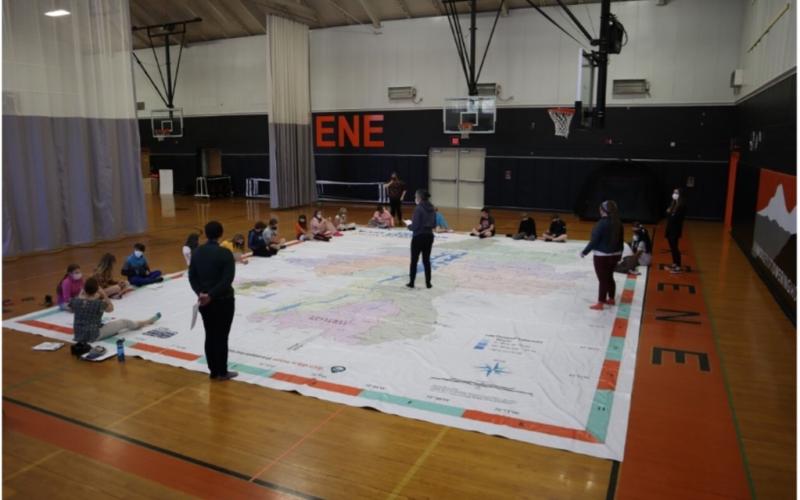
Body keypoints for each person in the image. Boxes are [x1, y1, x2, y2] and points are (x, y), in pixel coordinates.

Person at [189, 220, 238, 381]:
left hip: (204, 301)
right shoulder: (225, 253)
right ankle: (222, 371)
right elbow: (227, 280)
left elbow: (192, 277)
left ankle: (213, 370)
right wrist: (212, 295)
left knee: (210, 334)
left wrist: (201, 293)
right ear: (220, 234)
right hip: (223, 300)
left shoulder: (197, 252)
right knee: (222, 336)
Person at [70, 278, 161, 355]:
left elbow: (81, 299)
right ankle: (146, 322)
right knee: (124, 322)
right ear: (97, 290)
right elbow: (111, 308)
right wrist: (104, 294)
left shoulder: (76, 301)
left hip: (78, 334)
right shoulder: (98, 303)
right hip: (93, 335)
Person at [581, 200, 624, 311]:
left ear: (603, 210)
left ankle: (601, 302)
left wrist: (585, 252)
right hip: (615, 255)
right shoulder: (618, 223)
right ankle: (611, 298)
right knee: (609, 277)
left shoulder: (601, 224)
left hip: (602, 256)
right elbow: (621, 241)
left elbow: (594, 241)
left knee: (603, 279)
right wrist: (619, 255)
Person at [406, 189, 436, 289]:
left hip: (418, 237)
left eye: (415, 197)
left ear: (418, 198)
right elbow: (434, 224)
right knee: (426, 260)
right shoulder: (432, 208)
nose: (415, 198)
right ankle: (428, 283)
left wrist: (409, 225)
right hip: (429, 236)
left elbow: (415, 227)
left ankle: (411, 282)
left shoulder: (418, 209)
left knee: (414, 260)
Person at [665, 188, 687, 274]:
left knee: (675, 247)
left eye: (676, 193)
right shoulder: (673, 203)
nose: (674, 194)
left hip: (675, 229)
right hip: (670, 228)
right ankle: (674, 263)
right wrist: (670, 213)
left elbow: (675, 218)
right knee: (672, 247)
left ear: (680, 194)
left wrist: (670, 213)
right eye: (674, 192)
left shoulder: (681, 206)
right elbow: (668, 214)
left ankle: (678, 265)